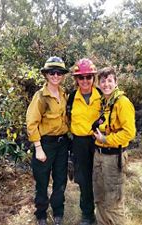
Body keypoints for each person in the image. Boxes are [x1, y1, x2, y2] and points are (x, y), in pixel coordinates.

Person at [26, 56, 70, 225]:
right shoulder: (40, 96)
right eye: (52, 72)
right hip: (45, 143)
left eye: (59, 72)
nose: (56, 75)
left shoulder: (64, 94)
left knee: (60, 179)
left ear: (63, 75)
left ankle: (58, 211)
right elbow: (31, 123)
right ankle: (41, 214)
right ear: (46, 74)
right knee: (42, 180)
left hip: (62, 143)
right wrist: (38, 147)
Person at [93, 67, 136, 225]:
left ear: (116, 82)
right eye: (103, 81)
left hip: (114, 156)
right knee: (99, 196)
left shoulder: (122, 103)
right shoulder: (103, 102)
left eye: (109, 80)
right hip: (98, 155)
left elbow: (129, 133)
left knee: (114, 201)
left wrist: (106, 139)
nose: (106, 84)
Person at [69, 58, 101, 225]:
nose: (85, 81)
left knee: (101, 178)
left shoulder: (102, 95)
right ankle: (88, 215)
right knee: (84, 179)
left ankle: (105, 214)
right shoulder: (71, 97)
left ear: (93, 78)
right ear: (76, 79)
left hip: (99, 141)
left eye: (89, 77)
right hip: (79, 143)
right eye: (81, 77)